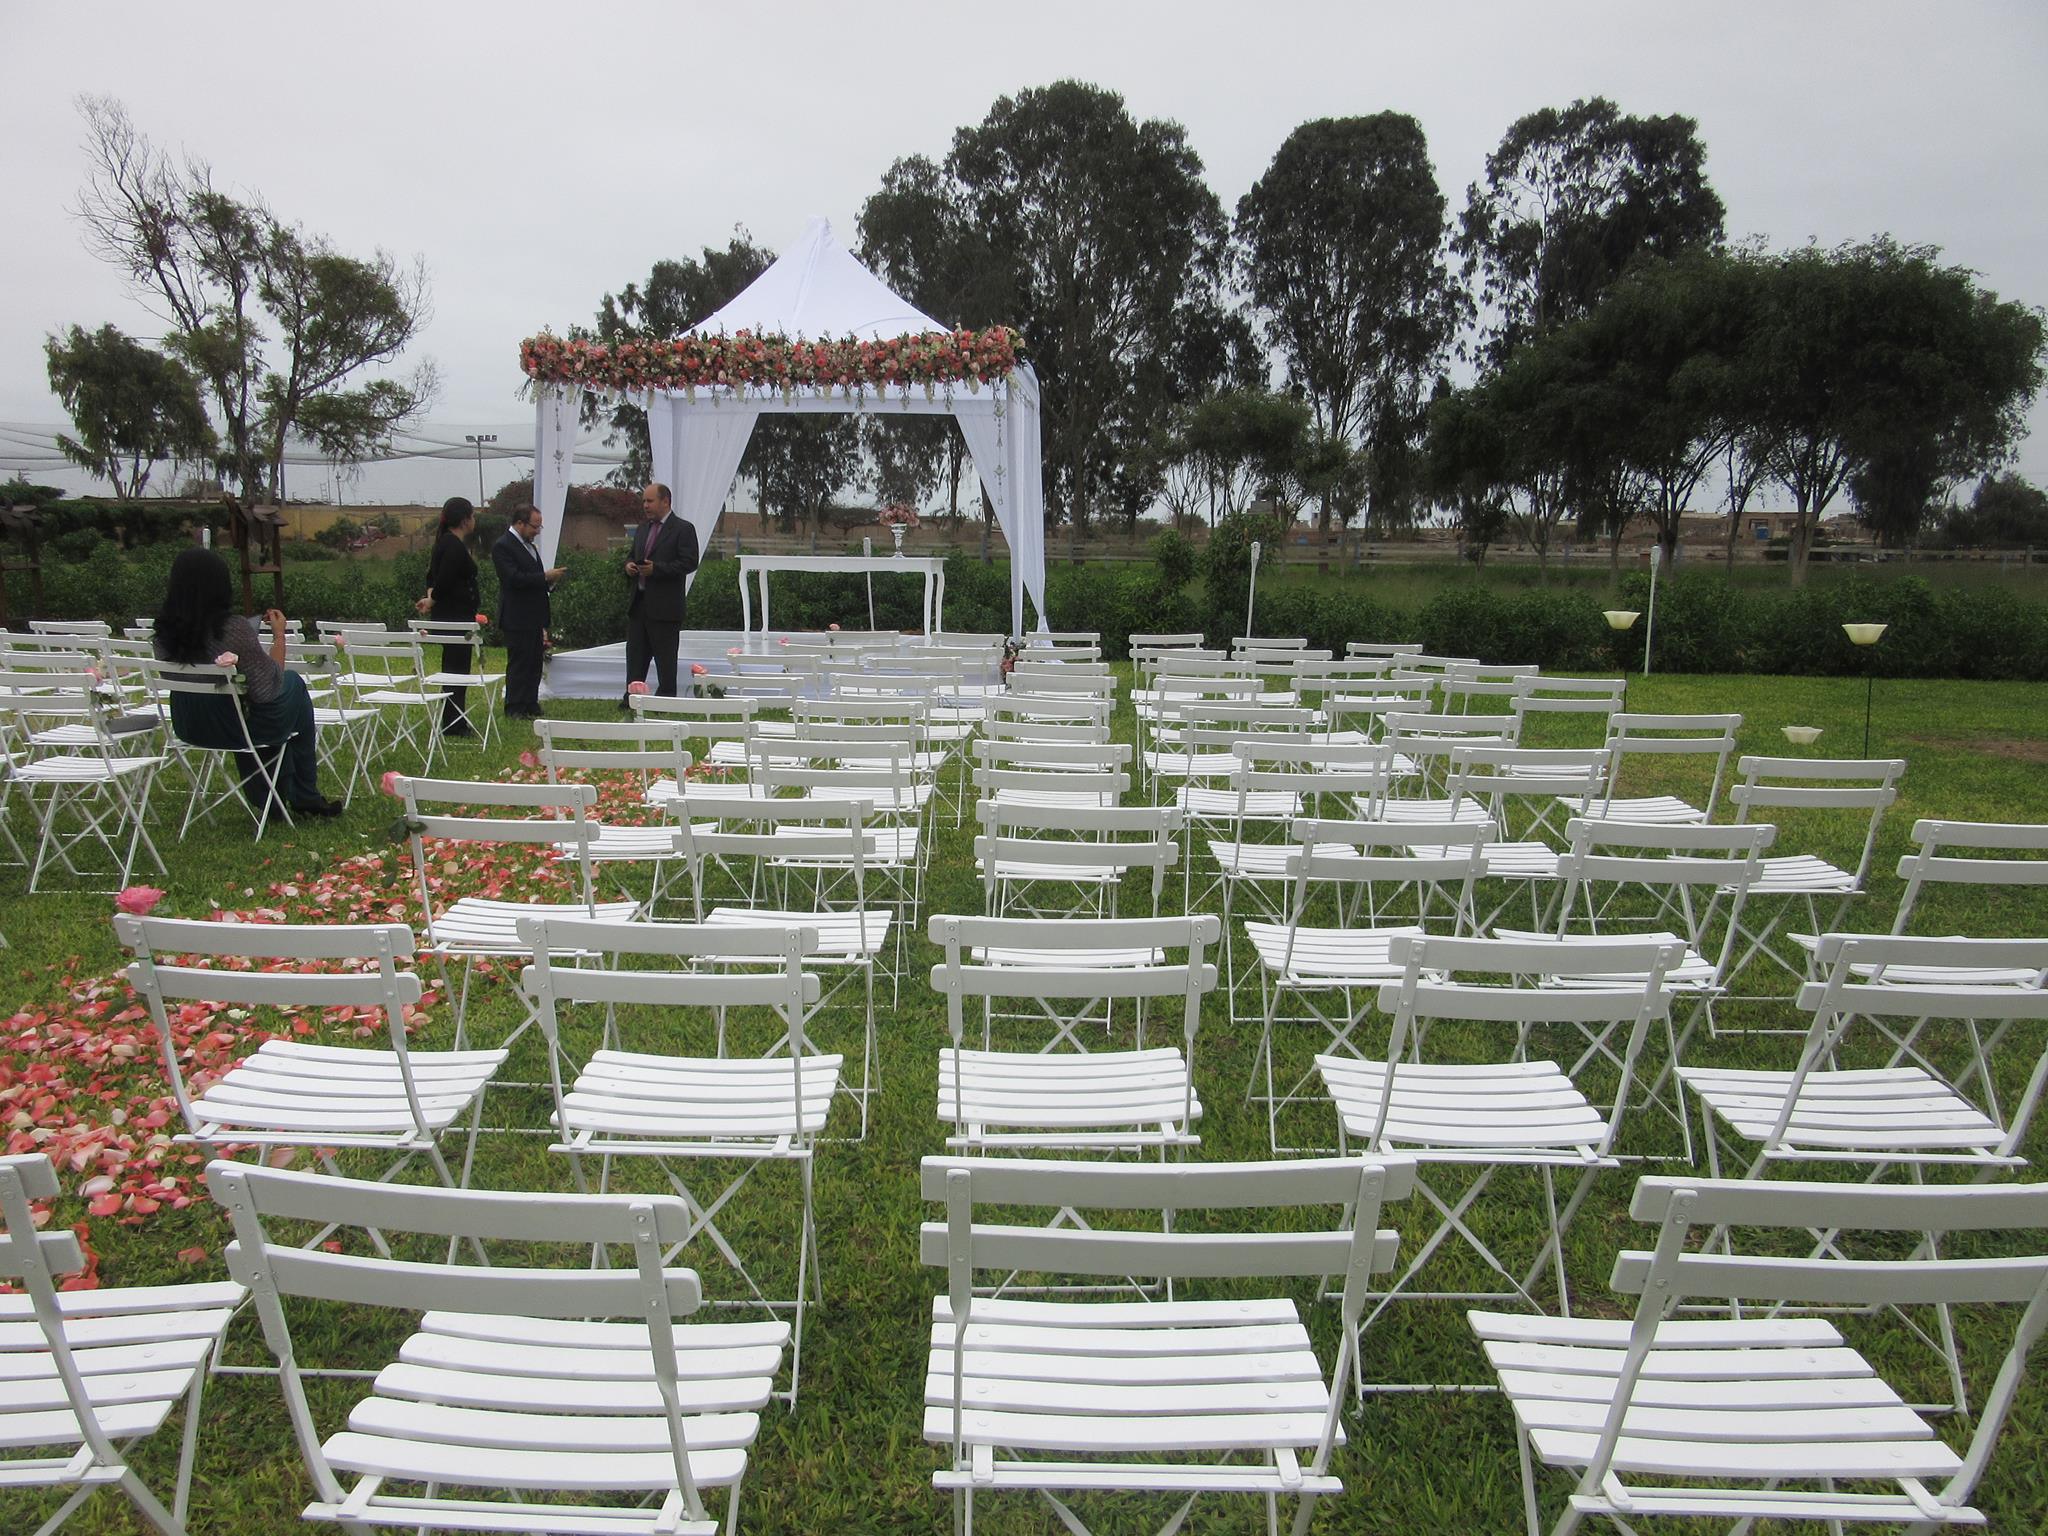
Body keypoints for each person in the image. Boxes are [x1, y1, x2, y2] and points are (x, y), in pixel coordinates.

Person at [153, 547, 343, 817]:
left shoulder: (163, 634)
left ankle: (274, 797)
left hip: (190, 724)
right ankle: (304, 794)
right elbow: (268, 688)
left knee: (248, 704)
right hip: (234, 726)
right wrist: (279, 636)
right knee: (292, 685)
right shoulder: (232, 629)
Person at [623, 481, 700, 706]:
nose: (645, 506)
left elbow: (689, 562)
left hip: (665, 607)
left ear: (665, 501)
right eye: (644, 501)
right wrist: (629, 566)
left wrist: (657, 569)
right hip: (639, 604)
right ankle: (632, 697)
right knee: (635, 656)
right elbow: (631, 555)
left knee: (665, 659)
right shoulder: (643, 529)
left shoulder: (683, 529)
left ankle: (666, 700)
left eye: (650, 501)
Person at [491, 503, 565, 719]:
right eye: (534, 526)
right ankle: (515, 706)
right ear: (520, 523)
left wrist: (549, 582)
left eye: (540, 527)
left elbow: (533, 579)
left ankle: (530, 702)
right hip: (516, 615)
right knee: (520, 663)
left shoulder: (530, 547)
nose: (537, 531)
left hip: (534, 615)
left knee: (534, 662)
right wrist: (544, 576)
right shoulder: (503, 546)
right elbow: (513, 579)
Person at [416, 496, 481, 736]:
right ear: (464, 520)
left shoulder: (443, 543)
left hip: (451, 616)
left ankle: (454, 719)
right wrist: (433, 598)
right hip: (456, 618)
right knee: (457, 671)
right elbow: (444, 579)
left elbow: (432, 577)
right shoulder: (453, 545)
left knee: (454, 668)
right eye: (472, 516)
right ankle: (454, 723)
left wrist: (431, 596)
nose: (474, 520)